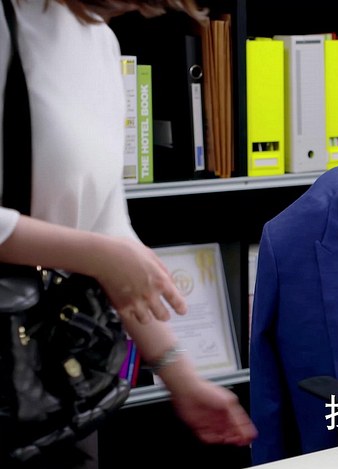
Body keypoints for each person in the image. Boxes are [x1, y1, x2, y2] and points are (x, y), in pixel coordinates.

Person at [0, 0, 256, 466]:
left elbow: (109, 228)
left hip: (49, 382)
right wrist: (96, 254)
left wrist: (182, 378)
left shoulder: (100, 40)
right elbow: (104, 250)